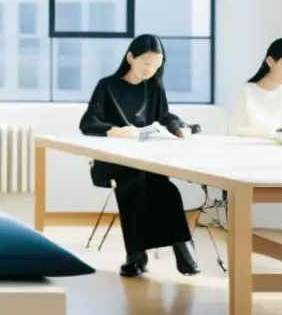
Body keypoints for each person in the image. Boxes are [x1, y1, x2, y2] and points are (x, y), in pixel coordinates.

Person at [78, 34, 200, 278]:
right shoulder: (107, 86)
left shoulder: (153, 87)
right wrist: (117, 131)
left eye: (157, 64)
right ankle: (136, 255)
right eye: (146, 63)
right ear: (130, 58)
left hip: (146, 161)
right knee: (132, 184)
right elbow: (88, 122)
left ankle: (182, 248)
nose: (151, 69)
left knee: (163, 187)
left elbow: (164, 115)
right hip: (113, 162)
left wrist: (179, 127)